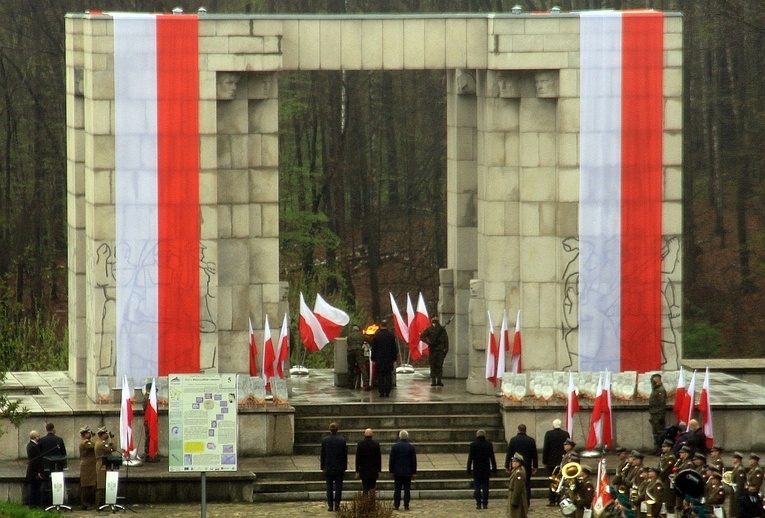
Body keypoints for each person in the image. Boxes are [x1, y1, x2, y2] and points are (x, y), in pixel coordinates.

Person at [505, 424, 538, 505]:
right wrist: (535, 466)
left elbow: (509, 454)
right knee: (527, 483)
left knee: (516, 483)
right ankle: (527, 501)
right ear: (525, 430)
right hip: (527, 466)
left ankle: (517, 500)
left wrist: (507, 466)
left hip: (516, 465)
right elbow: (534, 455)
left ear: (518, 430)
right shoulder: (531, 440)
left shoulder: (513, 440)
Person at [320, 422, 347, 512]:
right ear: (337, 430)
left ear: (329, 430)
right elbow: (344, 455)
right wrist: (344, 467)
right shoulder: (342, 440)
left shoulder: (325, 440)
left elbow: (323, 455)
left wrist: (322, 466)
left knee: (329, 488)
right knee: (339, 488)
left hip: (328, 467)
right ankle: (337, 505)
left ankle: (330, 506)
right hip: (339, 467)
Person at [467, 429, 497, 510]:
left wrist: (469, 469)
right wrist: (494, 468)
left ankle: (478, 503)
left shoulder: (473, 445)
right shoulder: (488, 444)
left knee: (477, 487)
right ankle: (485, 503)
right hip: (486, 469)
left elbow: (470, 459)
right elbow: (492, 458)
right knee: (485, 486)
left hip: (476, 469)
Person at [542, 418, 569, 507]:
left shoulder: (549, 434)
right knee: (561, 481)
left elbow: (546, 448)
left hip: (551, 461)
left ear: (553, 425)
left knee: (552, 481)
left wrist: (544, 461)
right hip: (562, 461)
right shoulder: (565, 434)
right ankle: (559, 499)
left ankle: (552, 500)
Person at [38, 422, 67, 505]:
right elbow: (63, 453)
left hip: (46, 466)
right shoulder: (59, 440)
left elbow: (40, 454)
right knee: (58, 484)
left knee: (45, 483)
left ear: (46, 430)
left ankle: (44, 503)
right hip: (58, 466)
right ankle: (59, 502)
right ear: (53, 429)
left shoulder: (42, 440)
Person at [389, 430, 417, 511]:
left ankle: (396, 505)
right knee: (407, 489)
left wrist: (391, 471)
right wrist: (414, 472)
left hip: (397, 472)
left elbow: (392, 460)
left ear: (399, 436)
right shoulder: (411, 447)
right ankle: (406, 505)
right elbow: (413, 461)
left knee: (397, 489)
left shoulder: (395, 447)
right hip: (407, 472)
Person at [370, 320, 398, 397]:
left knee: (380, 376)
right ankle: (387, 392)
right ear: (387, 325)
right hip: (389, 359)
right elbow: (394, 348)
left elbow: (373, 348)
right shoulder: (391, 335)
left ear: (380, 325)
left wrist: (373, 358)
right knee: (388, 375)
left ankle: (381, 392)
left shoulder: (376, 336)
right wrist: (394, 358)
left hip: (379, 359)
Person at [420, 316, 449, 387]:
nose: (435, 320)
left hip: (440, 350)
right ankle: (433, 380)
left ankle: (439, 380)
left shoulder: (442, 329)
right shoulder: (429, 329)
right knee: (433, 366)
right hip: (433, 350)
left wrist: (446, 350)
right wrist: (429, 343)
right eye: (434, 318)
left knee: (439, 366)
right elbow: (422, 337)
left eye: (436, 318)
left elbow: (446, 341)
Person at [355, 428, 381, 495]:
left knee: (365, 488)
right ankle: (372, 503)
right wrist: (379, 470)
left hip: (364, 470)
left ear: (364, 435)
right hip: (373, 470)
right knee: (372, 489)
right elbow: (378, 458)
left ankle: (365, 503)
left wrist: (357, 470)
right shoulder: (376, 444)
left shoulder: (360, 444)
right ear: (372, 435)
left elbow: (358, 458)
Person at [94, 426, 115, 508]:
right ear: (102, 435)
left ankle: (100, 504)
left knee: (102, 485)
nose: (107, 435)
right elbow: (113, 449)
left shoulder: (100, 442)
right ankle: (99, 504)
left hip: (102, 464)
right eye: (106, 433)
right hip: (102, 465)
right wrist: (113, 439)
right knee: (101, 485)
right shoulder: (102, 443)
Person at [648, 374, 667, 455]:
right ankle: (656, 449)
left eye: (653, 379)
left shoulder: (660, 390)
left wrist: (661, 417)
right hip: (654, 414)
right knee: (655, 433)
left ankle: (660, 449)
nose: (652, 380)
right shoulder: (655, 389)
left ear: (657, 379)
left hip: (658, 415)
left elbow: (662, 404)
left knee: (659, 433)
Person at [78, 426, 96, 510]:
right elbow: (94, 446)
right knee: (86, 486)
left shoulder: (87, 441)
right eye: (88, 433)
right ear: (85, 434)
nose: (90, 434)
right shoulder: (85, 442)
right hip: (87, 466)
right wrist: (96, 438)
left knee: (89, 485)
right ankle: (85, 503)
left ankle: (87, 503)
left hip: (90, 466)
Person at [347, 325, 369, 390]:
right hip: (359, 351)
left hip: (350, 352)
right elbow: (368, 340)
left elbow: (348, 343)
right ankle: (366, 384)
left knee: (351, 368)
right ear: (358, 330)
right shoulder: (361, 335)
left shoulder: (349, 336)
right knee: (362, 367)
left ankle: (350, 384)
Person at [507, 452, 528, 518]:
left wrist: (514, 501)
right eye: (513, 461)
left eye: (515, 462)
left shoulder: (519, 473)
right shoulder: (516, 471)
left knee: (517, 515)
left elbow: (518, 488)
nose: (513, 463)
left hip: (517, 498)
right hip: (513, 494)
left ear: (519, 463)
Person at [26, 430, 43, 507]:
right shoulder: (33, 446)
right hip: (33, 472)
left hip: (32, 470)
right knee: (34, 488)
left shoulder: (30, 445)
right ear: (36, 437)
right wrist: (37, 472)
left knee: (34, 488)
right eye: (38, 436)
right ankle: (33, 504)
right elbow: (35, 461)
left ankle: (34, 504)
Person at [142, 382, 158, 462]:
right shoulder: (147, 398)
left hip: (151, 420)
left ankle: (152, 453)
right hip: (149, 420)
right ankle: (148, 454)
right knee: (149, 437)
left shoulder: (150, 397)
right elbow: (146, 409)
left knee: (151, 436)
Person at [730, 452, 748, 518]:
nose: (732, 459)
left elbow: (740, 484)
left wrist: (737, 495)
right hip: (734, 492)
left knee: (737, 511)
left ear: (737, 459)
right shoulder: (736, 468)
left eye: (734, 458)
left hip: (737, 493)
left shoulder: (740, 470)